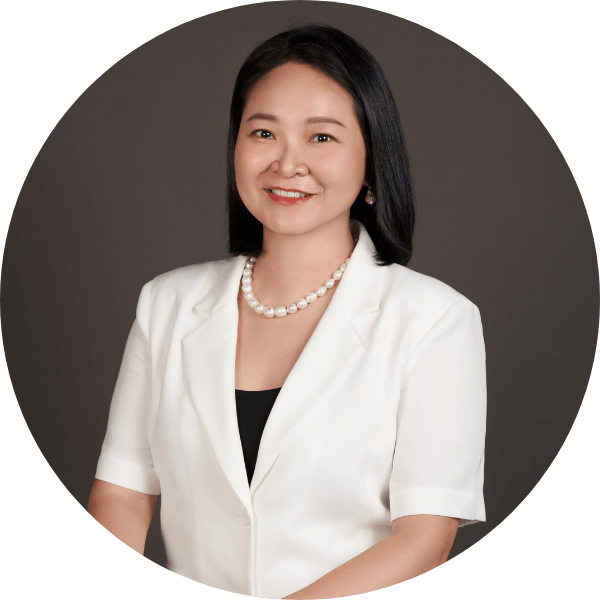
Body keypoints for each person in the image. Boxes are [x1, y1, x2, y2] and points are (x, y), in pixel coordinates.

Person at [88, 23, 487, 599]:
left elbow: (425, 541)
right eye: (263, 132)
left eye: (321, 137)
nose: (287, 163)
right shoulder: (165, 303)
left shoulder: (435, 320)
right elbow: (122, 492)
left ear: (372, 163)